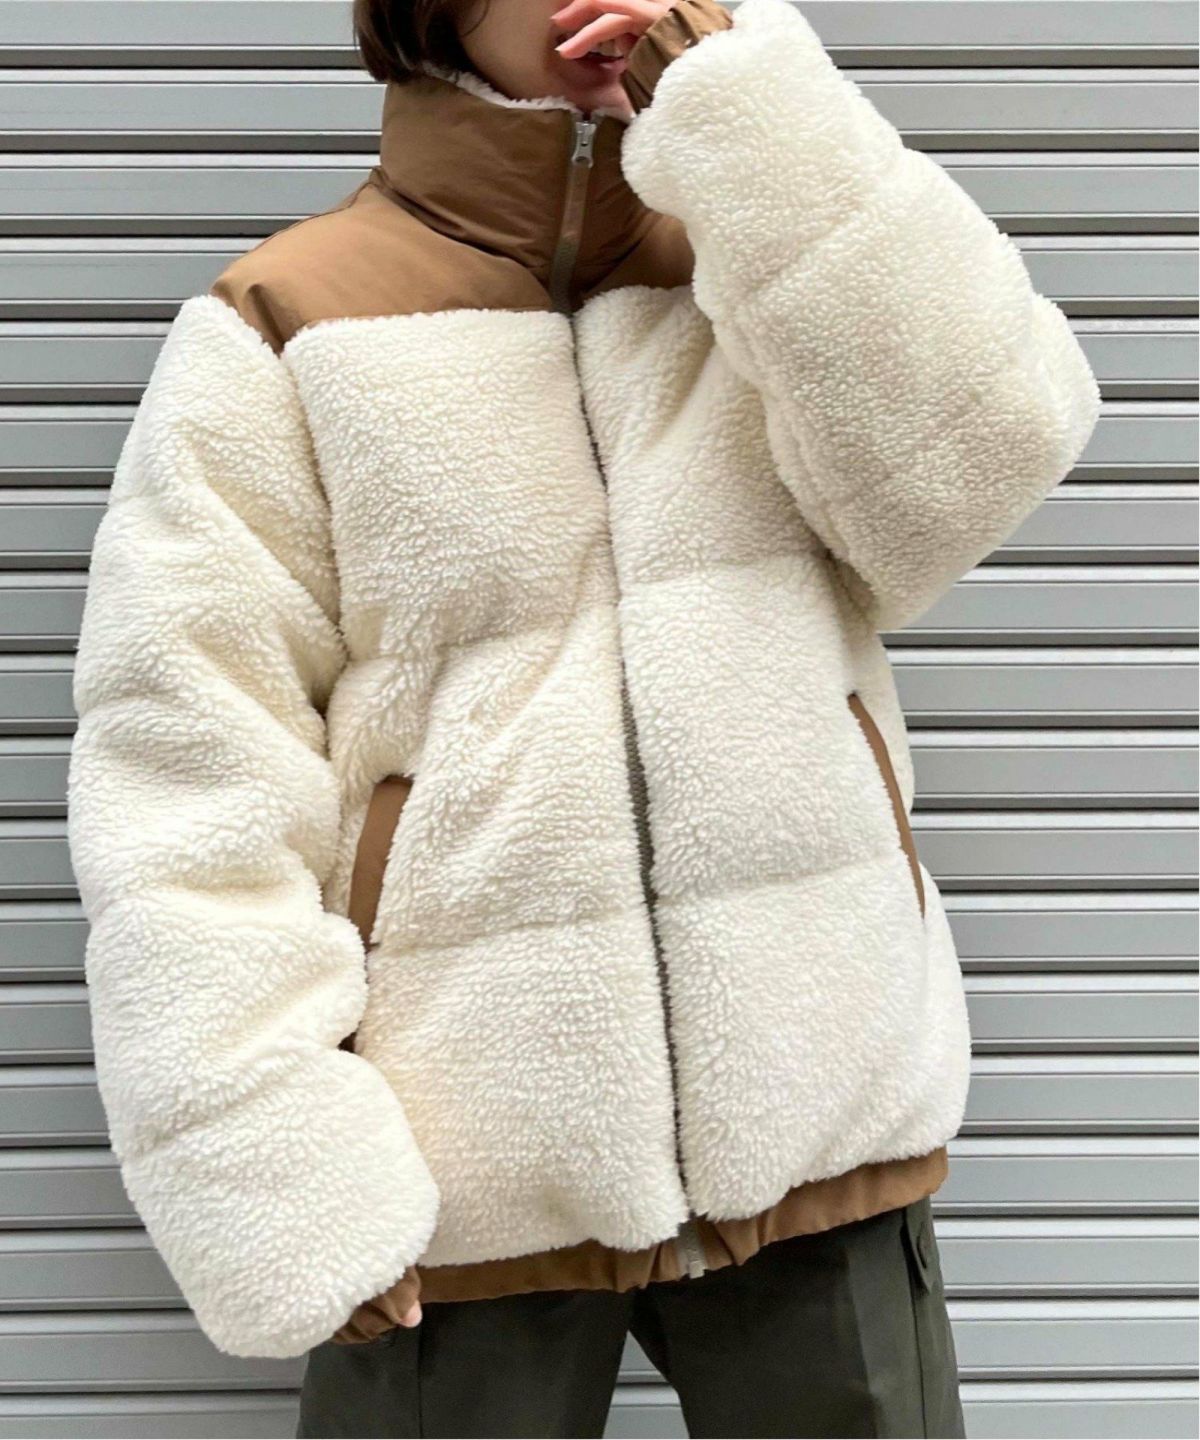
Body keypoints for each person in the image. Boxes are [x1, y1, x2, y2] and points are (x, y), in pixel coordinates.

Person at [66, 0, 1101, 1434]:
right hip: (462, 1158)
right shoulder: (289, 323)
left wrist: (750, 116)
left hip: (816, 1105)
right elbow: (187, 768)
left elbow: (979, 470)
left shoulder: (771, 251)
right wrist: (279, 1162)